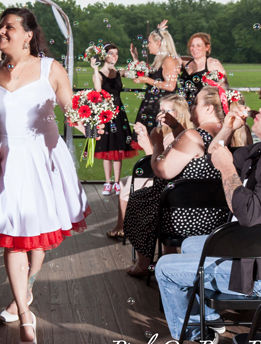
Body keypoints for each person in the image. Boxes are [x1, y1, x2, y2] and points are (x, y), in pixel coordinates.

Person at [0, 7, 90, 344]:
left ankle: (27, 286)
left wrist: (88, 119)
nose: (0, 32)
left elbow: (71, 110)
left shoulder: (51, 69)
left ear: (28, 35)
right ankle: (24, 314)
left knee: (37, 240)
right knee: (15, 240)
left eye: (9, 28)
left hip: (42, 159)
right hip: (5, 162)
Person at [156, 96, 261, 341]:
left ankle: (194, 333)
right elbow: (214, 154)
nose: (260, 110)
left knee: (165, 267)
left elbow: (247, 214)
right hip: (250, 250)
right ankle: (208, 316)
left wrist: (227, 168)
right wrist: (229, 127)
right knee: (190, 244)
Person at [123, 87, 230, 276]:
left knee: (139, 200)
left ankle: (144, 264)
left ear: (209, 109)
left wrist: (156, 143)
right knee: (159, 197)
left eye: (196, 102)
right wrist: (175, 127)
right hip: (220, 214)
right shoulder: (229, 133)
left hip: (185, 217)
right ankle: (168, 258)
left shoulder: (193, 136)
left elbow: (162, 170)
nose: (191, 106)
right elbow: (193, 155)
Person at [107, 93, 193, 238]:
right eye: (160, 111)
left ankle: (127, 227)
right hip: (167, 179)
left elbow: (157, 166)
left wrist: (147, 145)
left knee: (127, 184)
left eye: (166, 111)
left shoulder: (179, 136)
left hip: (169, 183)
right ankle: (122, 225)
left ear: (179, 113)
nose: (161, 115)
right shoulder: (168, 133)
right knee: (124, 182)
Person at [90, 43, 139, 196]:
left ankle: (117, 183)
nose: (114, 56)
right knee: (107, 148)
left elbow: (135, 74)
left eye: (116, 54)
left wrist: (135, 58)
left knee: (118, 147)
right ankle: (107, 183)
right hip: (105, 114)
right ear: (104, 55)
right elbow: (98, 91)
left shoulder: (119, 72)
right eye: (111, 53)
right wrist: (95, 68)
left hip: (119, 114)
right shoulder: (98, 74)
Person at [131, 21, 180, 134]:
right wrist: (135, 59)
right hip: (153, 105)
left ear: (158, 43)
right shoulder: (159, 60)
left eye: (149, 42)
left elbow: (171, 86)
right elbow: (153, 78)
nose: (147, 45)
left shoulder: (169, 60)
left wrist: (146, 80)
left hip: (161, 107)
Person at [179, 33, 230, 106]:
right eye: (192, 45)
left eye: (198, 45)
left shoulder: (213, 63)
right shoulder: (185, 63)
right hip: (184, 107)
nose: (194, 48)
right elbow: (171, 57)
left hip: (203, 108)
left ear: (207, 47)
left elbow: (225, 85)